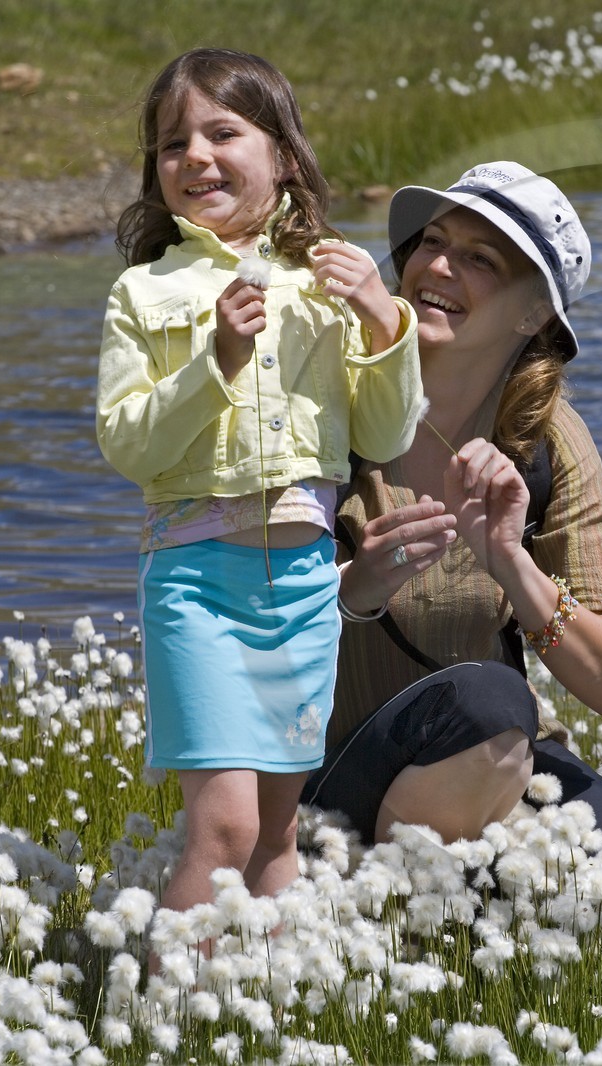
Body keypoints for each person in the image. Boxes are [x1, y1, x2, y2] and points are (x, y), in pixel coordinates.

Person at [301, 161, 602, 922]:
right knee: (487, 701)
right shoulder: (321, 399)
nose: (438, 268)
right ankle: (406, 925)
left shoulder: (547, 442)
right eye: (432, 242)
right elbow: (233, 612)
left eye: (480, 259)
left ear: (532, 313)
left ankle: (455, 919)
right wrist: (353, 589)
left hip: (499, 763)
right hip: (329, 776)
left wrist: (512, 563)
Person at [94, 48, 422, 939]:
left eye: (222, 133)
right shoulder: (145, 291)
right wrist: (215, 364)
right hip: (197, 583)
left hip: (306, 587)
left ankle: (270, 998)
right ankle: (165, 1003)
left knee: (278, 830)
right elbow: (127, 443)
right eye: (173, 144)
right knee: (227, 826)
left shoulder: (332, 281)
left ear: (282, 154)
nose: (195, 157)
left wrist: (385, 320)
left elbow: (385, 435)